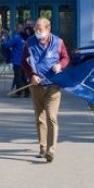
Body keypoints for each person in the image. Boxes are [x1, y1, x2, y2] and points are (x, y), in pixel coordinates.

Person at [21, 17, 70, 163]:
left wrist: (60, 65)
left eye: (40, 29)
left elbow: (66, 57)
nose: (37, 31)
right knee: (40, 118)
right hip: (37, 86)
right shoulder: (29, 42)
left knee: (51, 117)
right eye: (36, 28)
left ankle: (51, 150)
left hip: (53, 86)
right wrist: (31, 75)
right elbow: (24, 62)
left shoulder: (58, 42)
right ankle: (42, 147)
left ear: (48, 29)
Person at [1, 23, 28, 97]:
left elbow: (7, 45)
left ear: (17, 29)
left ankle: (19, 92)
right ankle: (27, 91)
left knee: (18, 76)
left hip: (17, 60)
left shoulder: (16, 38)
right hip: (25, 60)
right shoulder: (25, 38)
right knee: (23, 76)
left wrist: (3, 39)